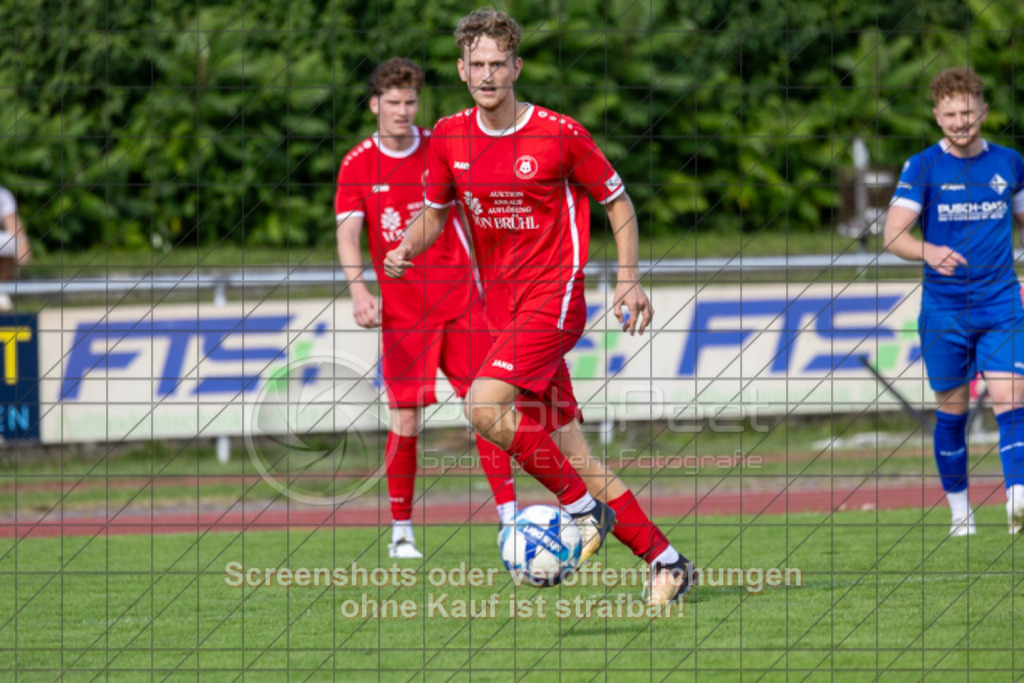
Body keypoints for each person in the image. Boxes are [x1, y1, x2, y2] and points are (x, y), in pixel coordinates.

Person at [385, 8, 695, 606]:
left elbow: (618, 201)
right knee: (575, 455)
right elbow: (435, 214)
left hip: (552, 300)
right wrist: (405, 246)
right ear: (461, 69)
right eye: (476, 64)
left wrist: (628, 279)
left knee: (483, 406)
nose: (487, 74)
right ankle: (667, 561)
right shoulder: (449, 136)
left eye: (498, 63)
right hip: (503, 311)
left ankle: (581, 514)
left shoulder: (558, 133)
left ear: (516, 66)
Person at [335, 57, 517, 559]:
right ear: (375, 104)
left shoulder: (441, 146)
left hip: (461, 302)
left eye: (410, 101)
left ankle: (512, 520)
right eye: (392, 102)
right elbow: (348, 234)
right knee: (406, 421)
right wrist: (358, 291)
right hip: (403, 314)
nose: (401, 110)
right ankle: (401, 531)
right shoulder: (357, 164)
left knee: (487, 409)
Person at [884, 66, 1024, 536]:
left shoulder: (1010, 163)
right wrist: (929, 250)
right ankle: (961, 511)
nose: (960, 121)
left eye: (967, 112)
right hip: (945, 310)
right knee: (953, 410)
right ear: (936, 115)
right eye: (950, 114)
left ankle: (1017, 500)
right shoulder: (922, 166)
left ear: (983, 110)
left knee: (1012, 394)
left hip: (1001, 302)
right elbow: (893, 235)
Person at [0, 186, 31, 312]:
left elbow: (12, 222)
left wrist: (23, 244)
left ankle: (1, 290)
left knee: (13, 242)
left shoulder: (3, 195)